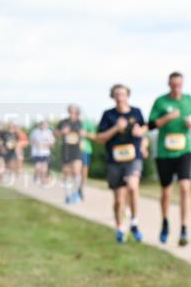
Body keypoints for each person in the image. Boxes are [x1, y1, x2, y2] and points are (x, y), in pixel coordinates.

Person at [148, 71, 191, 246]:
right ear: (169, 85)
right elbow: (150, 124)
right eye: (173, 85)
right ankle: (165, 221)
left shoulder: (188, 100)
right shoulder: (161, 102)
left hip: (185, 150)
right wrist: (167, 117)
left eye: (179, 85)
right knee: (166, 191)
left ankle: (184, 227)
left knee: (185, 187)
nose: (176, 88)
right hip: (164, 152)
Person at [97, 84, 149, 243]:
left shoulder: (136, 112)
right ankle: (119, 227)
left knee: (133, 186)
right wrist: (116, 128)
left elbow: (144, 131)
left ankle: (134, 222)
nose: (120, 97)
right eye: (117, 94)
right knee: (119, 199)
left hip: (133, 158)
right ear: (113, 97)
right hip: (114, 161)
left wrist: (143, 143)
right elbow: (100, 138)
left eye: (123, 94)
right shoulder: (108, 115)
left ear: (128, 96)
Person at [57, 105, 86, 203]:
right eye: (70, 111)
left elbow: (85, 134)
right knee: (66, 173)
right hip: (66, 150)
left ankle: (76, 193)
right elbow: (56, 134)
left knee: (77, 171)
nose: (72, 113)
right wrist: (62, 132)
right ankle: (68, 195)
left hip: (77, 150)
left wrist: (83, 134)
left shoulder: (80, 123)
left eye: (74, 111)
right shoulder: (63, 122)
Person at [29, 120, 55, 185]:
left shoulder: (49, 133)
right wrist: (36, 144)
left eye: (46, 125)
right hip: (36, 153)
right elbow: (31, 141)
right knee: (38, 167)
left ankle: (43, 180)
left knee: (44, 168)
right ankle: (36, 176)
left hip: (46, 153)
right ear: (40, 125)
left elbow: (52, 143)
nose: (44, 126)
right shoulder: (35, 132)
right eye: (43, 124)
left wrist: (46, 145)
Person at [79, 117, 97, 200]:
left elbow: (95, 136)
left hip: (85, 150)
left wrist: (85, 134)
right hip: (72, 150)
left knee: (84, 170)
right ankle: (74, 186)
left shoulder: (87, 123)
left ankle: (81, 189)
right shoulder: (69, 123)